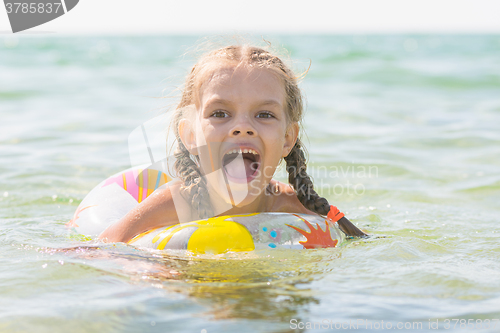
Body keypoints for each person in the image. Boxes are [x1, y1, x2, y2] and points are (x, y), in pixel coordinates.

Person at [99, 44, 366, 243]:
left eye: (264, 114)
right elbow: (103, 249)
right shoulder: (175, 203)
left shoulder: (293, 206)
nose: (242, 127)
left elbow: (361, 242)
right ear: (190, 135)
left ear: (287, 139)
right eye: (220, 114)